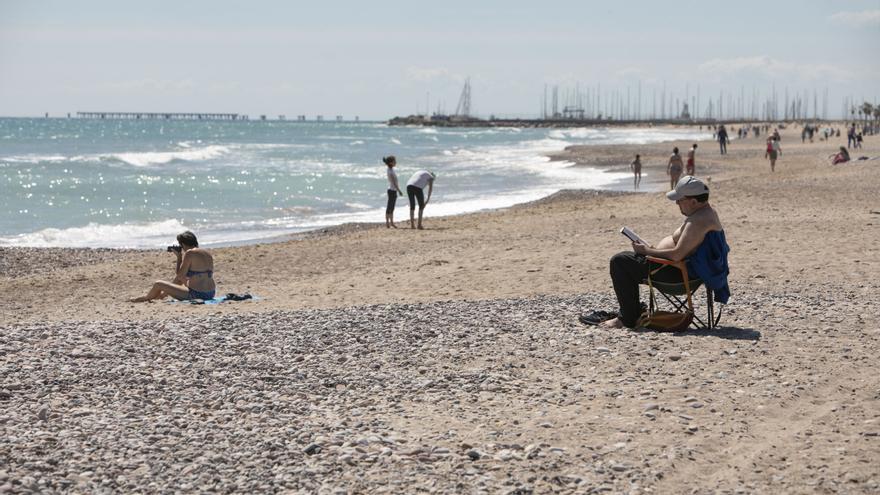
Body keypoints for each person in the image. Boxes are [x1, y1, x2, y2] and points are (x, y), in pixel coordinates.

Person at [583, 176, 728, 329]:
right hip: (679, 270)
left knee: (619, 262)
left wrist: (646, 250)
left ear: (693, 201)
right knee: (628, 260)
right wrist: (653, 250)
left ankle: (627, 318)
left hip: (676, 277)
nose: (677, 203)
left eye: (680, 199)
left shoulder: (698, 221)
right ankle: (632, 311)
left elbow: (677, 254)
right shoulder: (707, 213)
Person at [130, 231, 216, 302]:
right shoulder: (207, 253)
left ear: (183, 244)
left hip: (197, 294)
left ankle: (146, 298)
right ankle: (162, 296)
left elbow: (180, 275)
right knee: (177, 280)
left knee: (158, 284)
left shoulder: (190, 253)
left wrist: (179, 257)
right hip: (210, 293)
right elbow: (184, 277)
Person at [382, 156, 404, 228]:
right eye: (394, 161)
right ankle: (388, 223)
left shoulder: (391, 169)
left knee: (392, 207)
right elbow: (394, 182)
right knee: (389, 207)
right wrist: (399, 191)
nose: (396, 162)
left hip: (393, 190)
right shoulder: (390, 171)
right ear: (391, 162)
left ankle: (391, 222)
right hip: (392, 190)